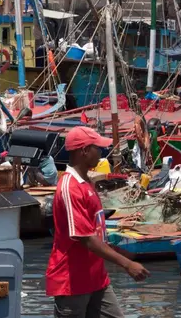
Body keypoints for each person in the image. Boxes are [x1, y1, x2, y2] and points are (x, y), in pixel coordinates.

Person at [47, 127, 149, 318]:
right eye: (97, 148)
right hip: (72, 282)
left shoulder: (87, 183)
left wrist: (121, 252)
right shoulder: (70, 187)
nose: (102, 153)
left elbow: (94, 229)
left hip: (96, 278)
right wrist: (126, 264)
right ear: (84, 151)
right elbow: (85, 238)